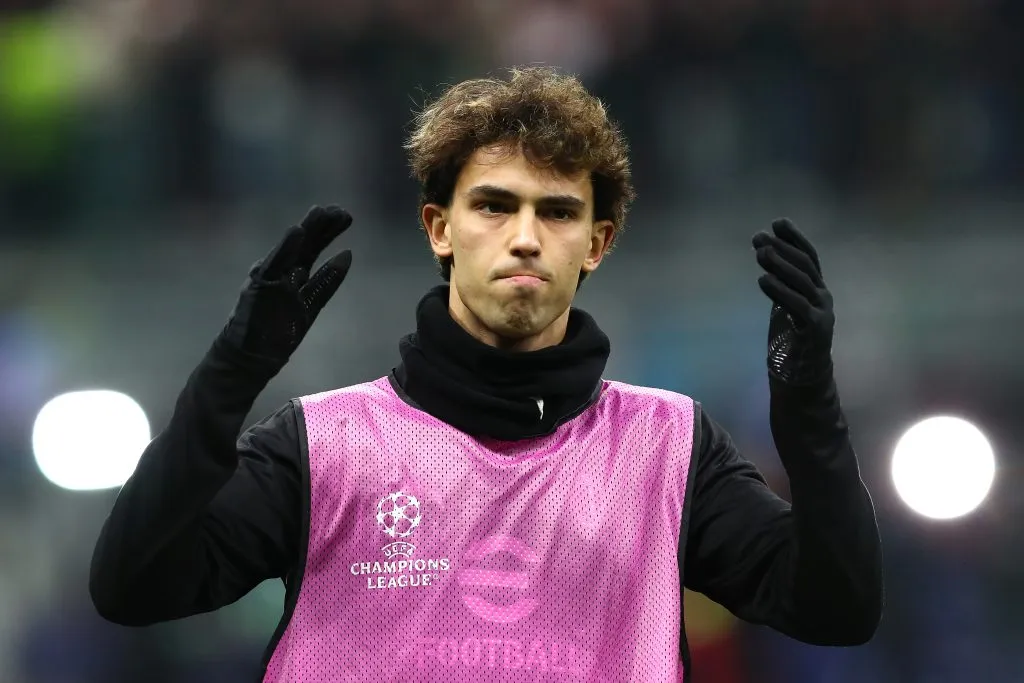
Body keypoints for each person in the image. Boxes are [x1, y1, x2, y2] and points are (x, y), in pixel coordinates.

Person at [89, 66, 883, 682]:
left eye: (558, 211)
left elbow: (838, 608)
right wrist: (233, 371)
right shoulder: (321, 443)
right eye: (495, 205)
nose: (526, 237)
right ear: (440, 228)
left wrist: (807, 400)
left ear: (597, 243)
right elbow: (132, 586)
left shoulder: (670, 447)